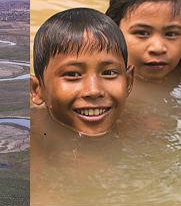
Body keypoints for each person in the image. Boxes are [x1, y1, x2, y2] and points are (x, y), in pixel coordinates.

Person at [30, 8, 134, 137]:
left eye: (109, 73)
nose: (94, 91)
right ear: (36, 89)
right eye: (73, 74)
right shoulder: (30, 140)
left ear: (129, 82)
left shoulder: (145, 131)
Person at [104, 0, 181, 82]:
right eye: (142, 33)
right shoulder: (96, 83)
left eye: (171, 34)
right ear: (112, 33)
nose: (158, 48)